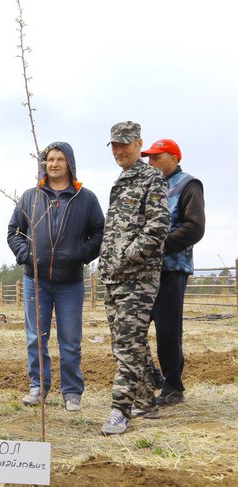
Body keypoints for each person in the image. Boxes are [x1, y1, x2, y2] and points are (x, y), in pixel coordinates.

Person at [7, 141, 105, 412]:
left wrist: (80, 254)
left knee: (70, 340)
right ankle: (38, 387)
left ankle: (72, 392)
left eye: (60, 159)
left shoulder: (85, 198)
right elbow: (14, 231)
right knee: (35, 337)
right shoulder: (30, 197)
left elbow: (99, 233)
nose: (54, 163)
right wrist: (26, 255)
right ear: (44, 163)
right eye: (50, 159)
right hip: (35, 280)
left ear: (70, 163)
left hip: (70, 282)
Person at [98, 122, 170, 435]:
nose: (119, 150)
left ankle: (120, 410)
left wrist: (128, 257)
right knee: (129, 343)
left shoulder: (150, 177)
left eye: (124, 144)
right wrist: (108, 263)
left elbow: (158, 226)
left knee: (127, 347)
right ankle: (146, 403)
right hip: (114, 277)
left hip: (138, 278)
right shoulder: (122, 180)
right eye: (114, 145)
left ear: (139, 144)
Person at [142, 139, 205, 406]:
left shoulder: (188, 185)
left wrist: (158, 247)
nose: (151, 162)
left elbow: (194, 227)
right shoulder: (150, 187)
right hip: (144, 270)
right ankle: (153, 377)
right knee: (135, 328)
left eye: (157, 157)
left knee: (167, 329)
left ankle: (173, 385)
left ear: (175, 158)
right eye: (149, 158)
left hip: (171, 269)